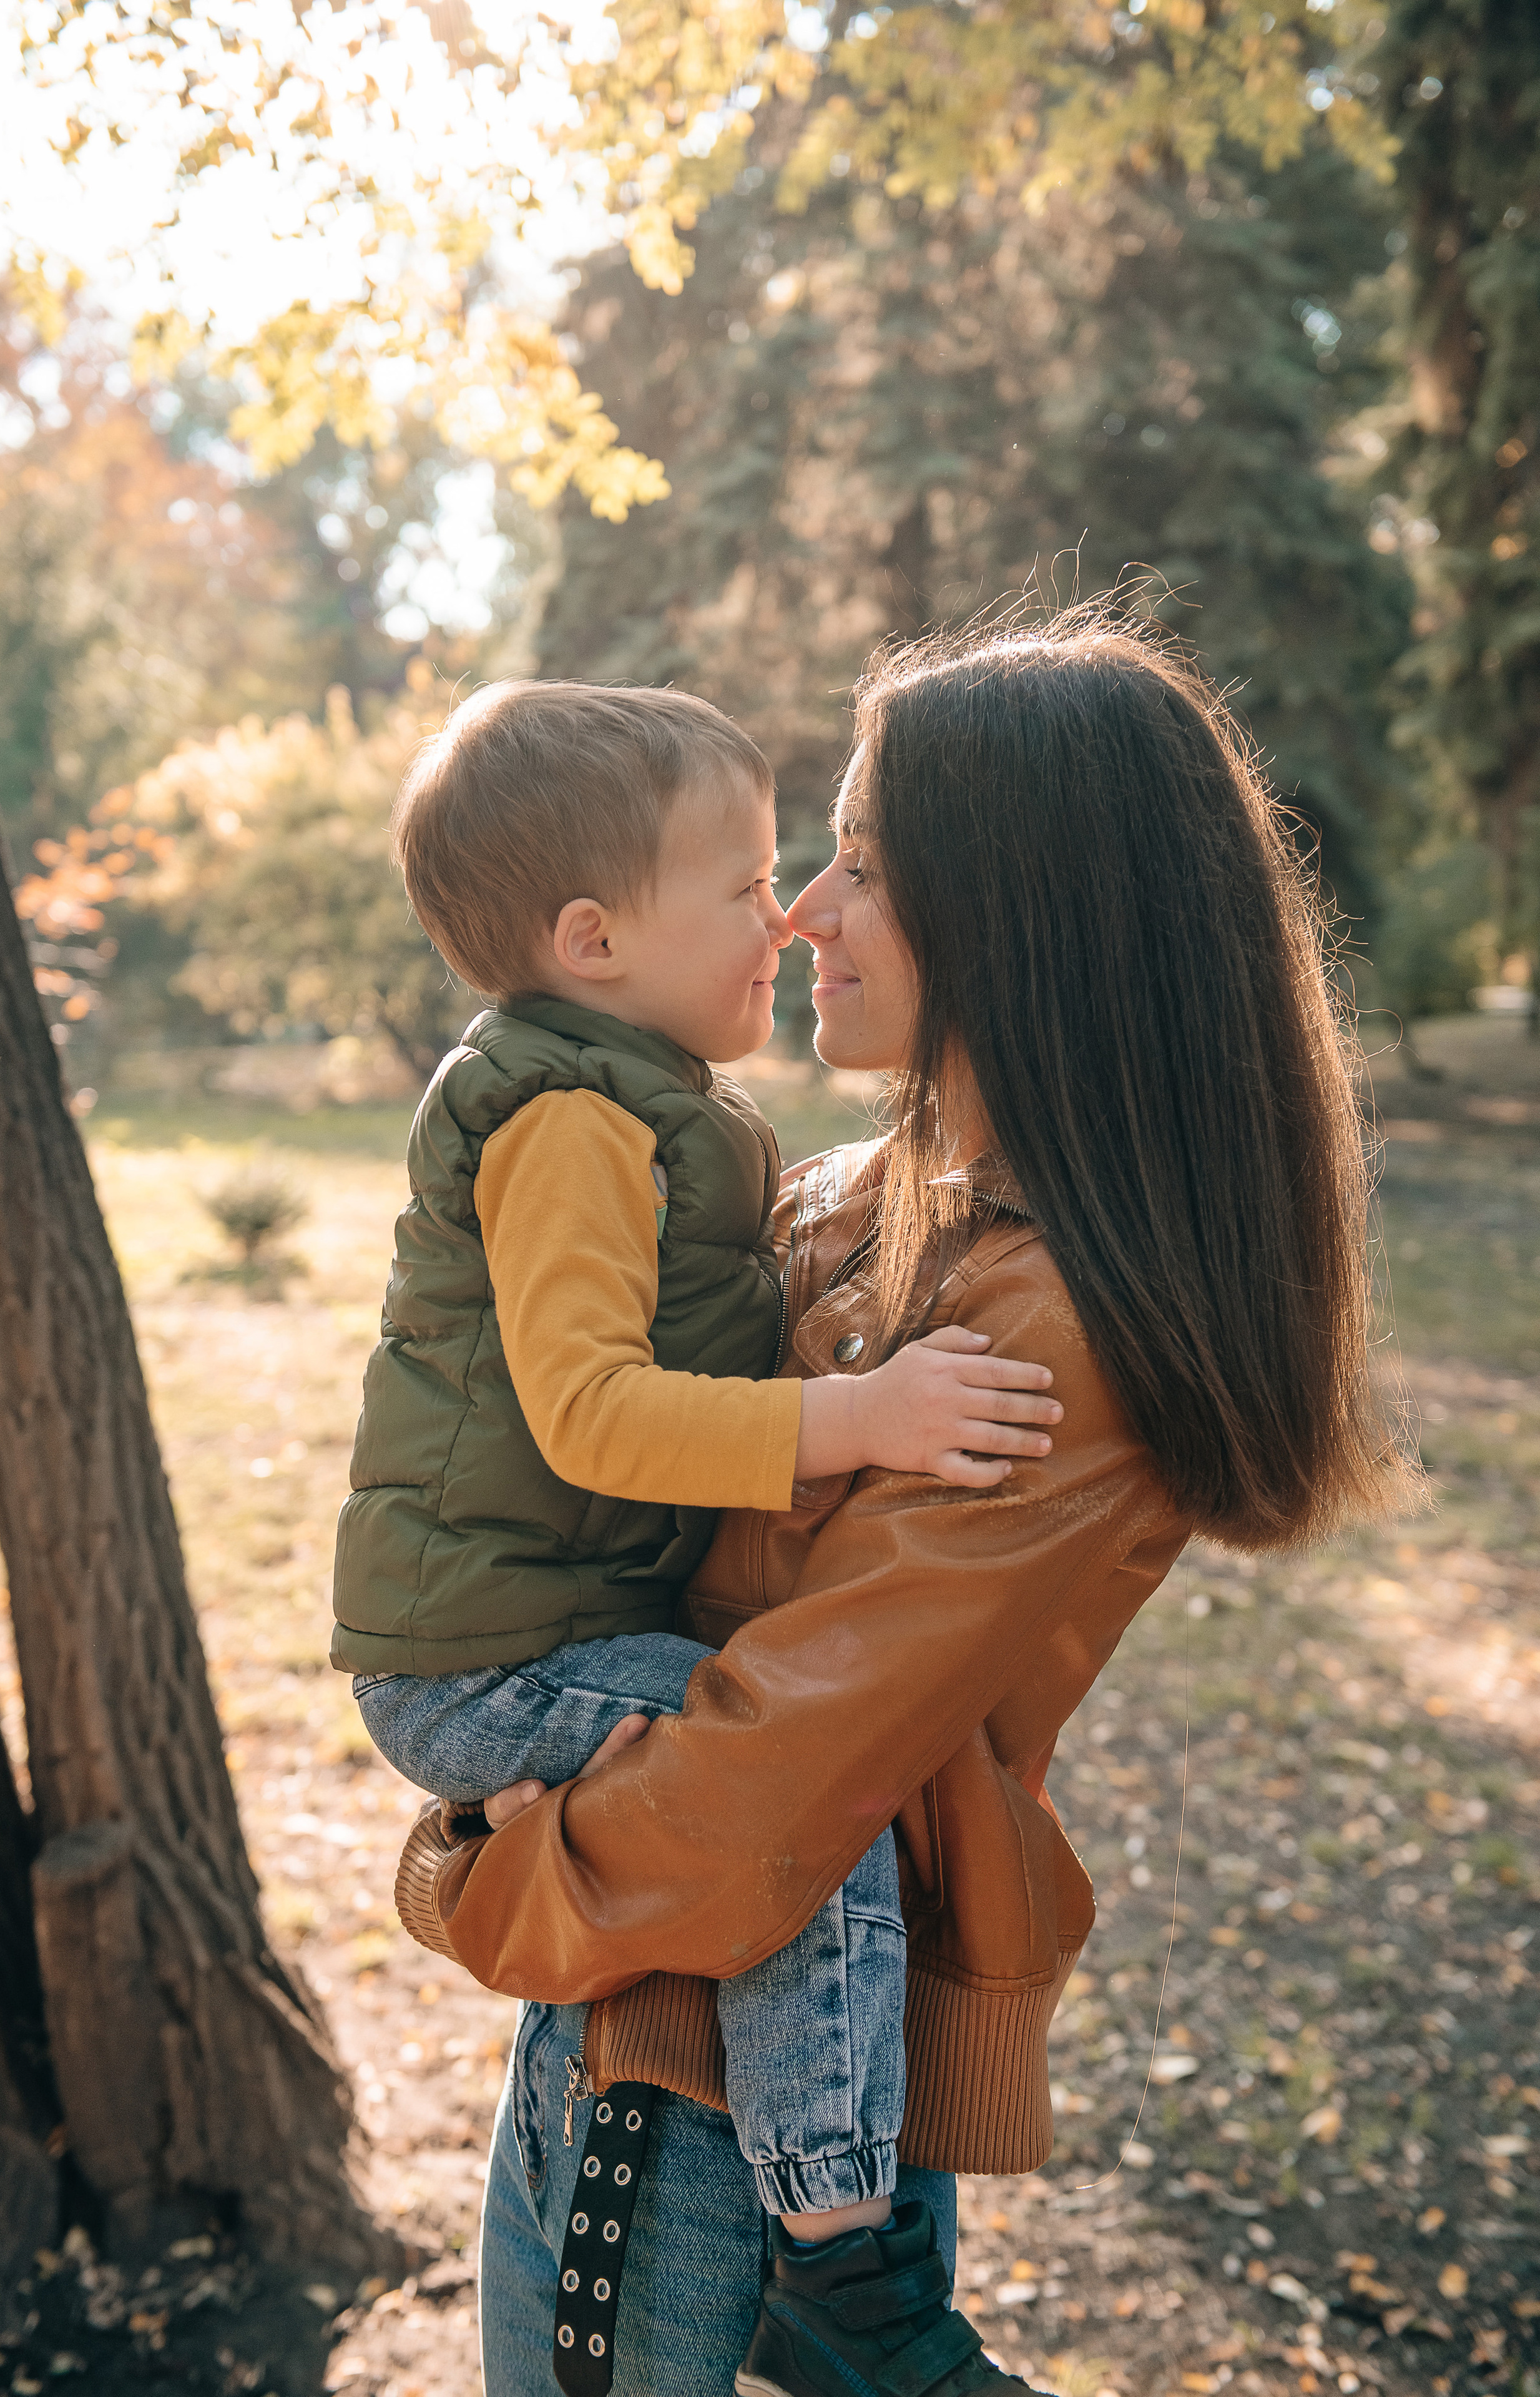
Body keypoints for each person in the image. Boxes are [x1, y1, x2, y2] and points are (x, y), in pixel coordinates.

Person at [396, 614, 1411, 2397]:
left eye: (861, 865)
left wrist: (465, 1873)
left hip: (700, 2085)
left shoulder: (1057, 1322)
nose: (799, 913)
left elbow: (781, 1766)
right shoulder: (847, 1195)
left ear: (1022, 914)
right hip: (709, 2021)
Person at [332, 680, 1062, 2368]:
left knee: (795, 1781)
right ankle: (830, 2235)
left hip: (545, 1636)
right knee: (797, 1793)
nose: (783, 910)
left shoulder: (660, 1104)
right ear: (592, 939)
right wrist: (861, 1419)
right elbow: (591, 1410)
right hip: (494, 1657)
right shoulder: (572, 1120)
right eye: (742, 883)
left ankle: (829, 2209)